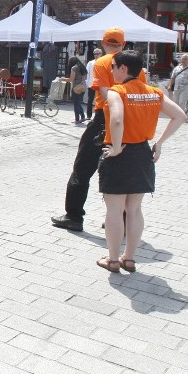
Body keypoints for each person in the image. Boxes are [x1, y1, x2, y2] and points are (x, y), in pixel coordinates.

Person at [96, 50, 186, 273]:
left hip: (120, 152)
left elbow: (117, 119)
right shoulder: (154, 92)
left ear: (123, 69)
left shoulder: (118, 92)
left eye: (114, 66)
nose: (112, 70)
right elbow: (180, 115)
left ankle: (113, 259)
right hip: (142, 153)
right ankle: (130, 258)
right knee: (134, 210)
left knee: (114, 211)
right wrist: (160, 142)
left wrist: (116, 148)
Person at [52, 27, 146, 231]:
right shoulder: (137, 67)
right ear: (123, 44)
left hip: (104, 120)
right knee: (121, 172)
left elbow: (104, 95)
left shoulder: (103, 62)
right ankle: (117, 218)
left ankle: (74, 216)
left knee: (82, 169)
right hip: (129, 120)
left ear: (103, 44)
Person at [63, 56, 88, 125]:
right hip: (83, 86)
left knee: (76, 104)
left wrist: (62, 79)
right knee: (79, 102)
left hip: (76, 87)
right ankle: (82, 117)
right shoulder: (82, 67)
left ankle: (77, 119)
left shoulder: (74, 68)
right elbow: (85, 78)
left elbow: (71, 79)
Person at [85, 48, 102, 120]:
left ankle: (98, 115)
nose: (96, 55)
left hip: (101, 84)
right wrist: (87, 82)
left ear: (101, 54)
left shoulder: (103, 62)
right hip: (92, 84)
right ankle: (89, 115)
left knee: (99, 100)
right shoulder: (90, 63)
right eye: (95, 54)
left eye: (98, 54)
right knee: (90, 100)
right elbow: (87, 73)